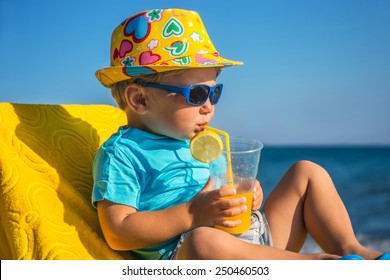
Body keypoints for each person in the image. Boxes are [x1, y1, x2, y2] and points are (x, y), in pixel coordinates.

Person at [92, 8, 388, 260]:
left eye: (214, 91)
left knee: (306, 173)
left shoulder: (210, 142)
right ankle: (320, 265)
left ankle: (355, 253)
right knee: (202, 240)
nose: (209, 106)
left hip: (255, 242)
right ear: (139, 99)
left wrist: (248, 197)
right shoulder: (123, 153)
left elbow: (225, 193)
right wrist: (193, 214)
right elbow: (119, 231)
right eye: (196, 94)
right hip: (194, 255)